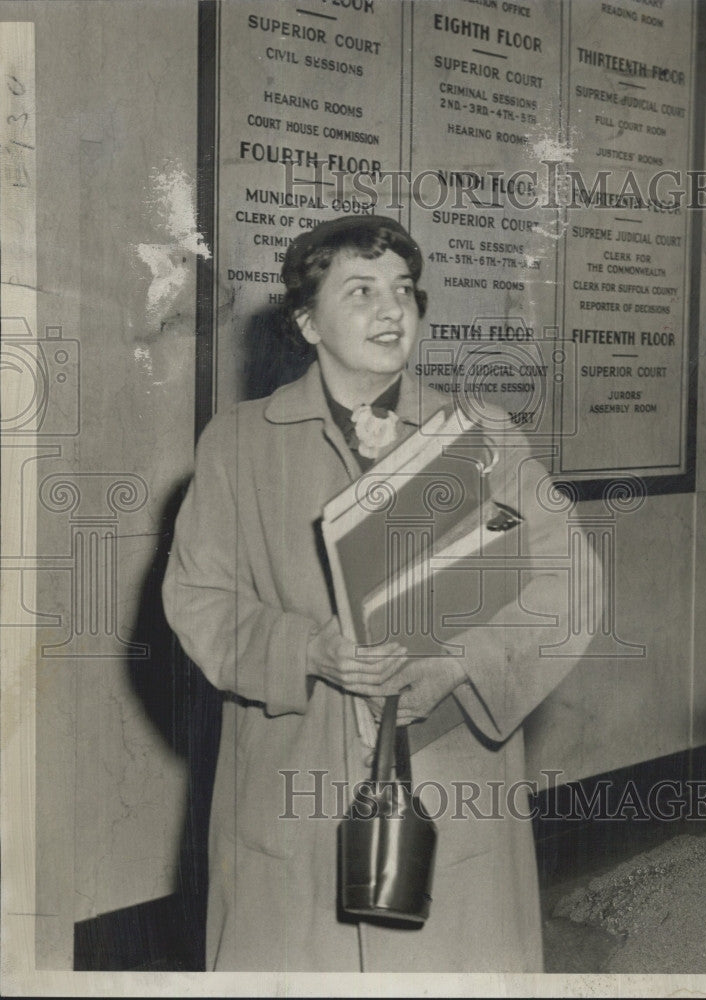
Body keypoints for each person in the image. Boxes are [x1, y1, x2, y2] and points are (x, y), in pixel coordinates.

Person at [162, 214, 595, 972]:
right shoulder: (237, 442)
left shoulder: (479, 435)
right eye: (360, 291)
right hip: (292, 795)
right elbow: (199, 597)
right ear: (305, 320)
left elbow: (567, 581)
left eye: (404, 291)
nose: (392, 310)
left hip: (452, 784)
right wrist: (308, 648)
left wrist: (459, 663)